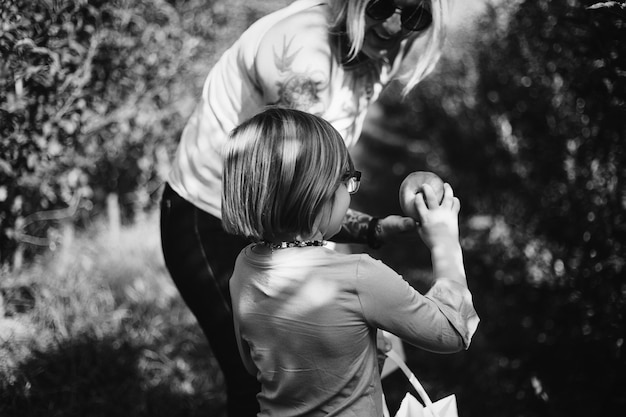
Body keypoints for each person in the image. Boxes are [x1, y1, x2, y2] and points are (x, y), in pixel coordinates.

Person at [160, 0, 455, 415]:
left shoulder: (373, 49)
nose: (392, 25)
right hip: (211, 217)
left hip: (283, 227)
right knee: (263, 379)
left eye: (414, 14)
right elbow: (296, 189)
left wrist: (368, 231)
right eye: (384, 3)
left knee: (357, 364)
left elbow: (308, 202)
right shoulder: (302, 54)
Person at [221, 107, 479, 416]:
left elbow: (253, 364)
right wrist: (445, 242)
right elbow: (452, 332)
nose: (351, 191)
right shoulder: (359, 276)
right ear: (316, 194)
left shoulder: (244, 267)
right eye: (347, 180)